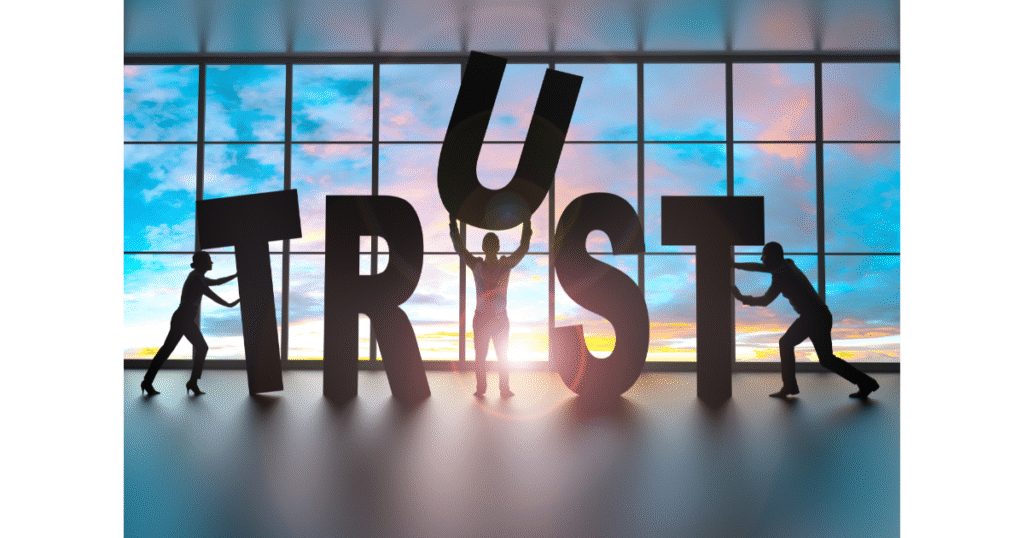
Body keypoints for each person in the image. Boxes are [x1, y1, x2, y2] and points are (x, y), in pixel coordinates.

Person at [732, 242, 880, 399]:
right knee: (826, 359)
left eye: (764, 255)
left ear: (773, 257)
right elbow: (759, 267)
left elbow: (765, 300)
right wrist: (735, 265)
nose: (762, 258)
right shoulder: (786, 264)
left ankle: (789, 386)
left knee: (790, 345)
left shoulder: (782, 275)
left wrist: (742, 297)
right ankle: (867, 383)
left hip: (813, 318)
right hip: (818, 316)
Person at [450, 216, 532, 398]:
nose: (491, 247)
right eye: (491, 243)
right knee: (494, 356)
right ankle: (497, 388)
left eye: (490, 243)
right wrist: (527, 221)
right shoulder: (503, 265)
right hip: (493, 319)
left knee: (489, 356)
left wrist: (452, 224)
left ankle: (486, 389)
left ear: (486, 247)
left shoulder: (480, 265)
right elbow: (523, 247)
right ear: (496, 247)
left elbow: (460, 249)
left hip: (489, 319)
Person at [141, 251, 239, 396]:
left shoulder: (197, 276)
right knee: (199, 347)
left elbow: (218, 282)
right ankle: (190, 382)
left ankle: (150, 381)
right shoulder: (196, 278)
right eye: (209, 260)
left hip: (183, 318)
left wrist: (237, 275)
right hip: (183, 318)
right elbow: (211, 293)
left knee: (168, 350)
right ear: (202, 263)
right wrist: (229, 304)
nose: (212, 263)